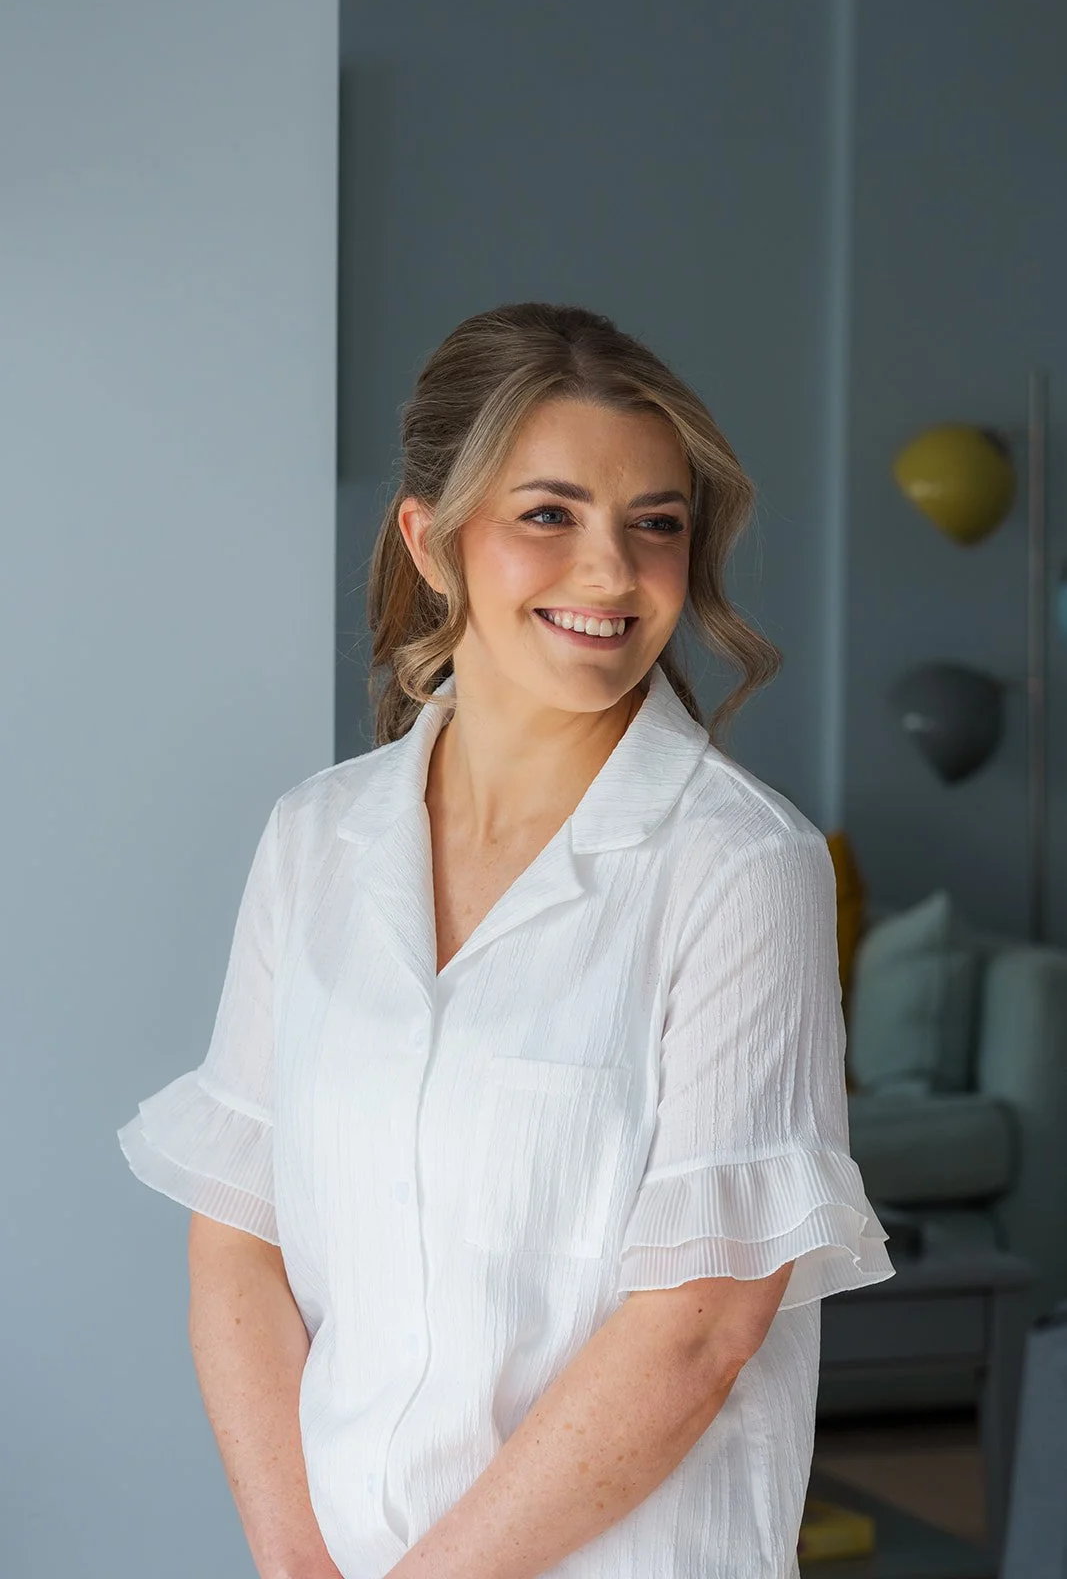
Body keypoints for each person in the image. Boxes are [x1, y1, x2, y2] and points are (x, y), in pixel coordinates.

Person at [117, 301, 895, 1579]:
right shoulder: (316, 841)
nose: (609, 572)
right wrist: (297, 1563)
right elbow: (237, 1235)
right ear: (431, 541)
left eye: (654, 524)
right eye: (549, 514)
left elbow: (699, 1326)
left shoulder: (739, 869)